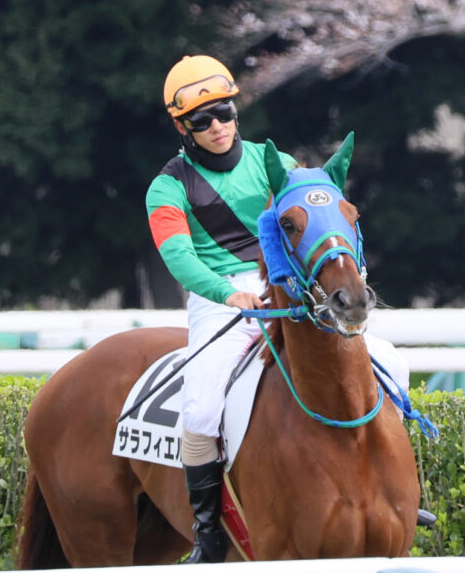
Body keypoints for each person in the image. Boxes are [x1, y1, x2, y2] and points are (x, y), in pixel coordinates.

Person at [146, 55, 431, 565]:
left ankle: (398, 491)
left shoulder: (269, 162)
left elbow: (315, 215)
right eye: (201, 120)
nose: (217, 127)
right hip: (222, 301)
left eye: (225, 113)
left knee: (390, 361)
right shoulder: (167, 187)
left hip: (286, 283)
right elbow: (178, 257)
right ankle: (209, 530)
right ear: (181, 127)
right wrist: (227, 293)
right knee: (202, 405)